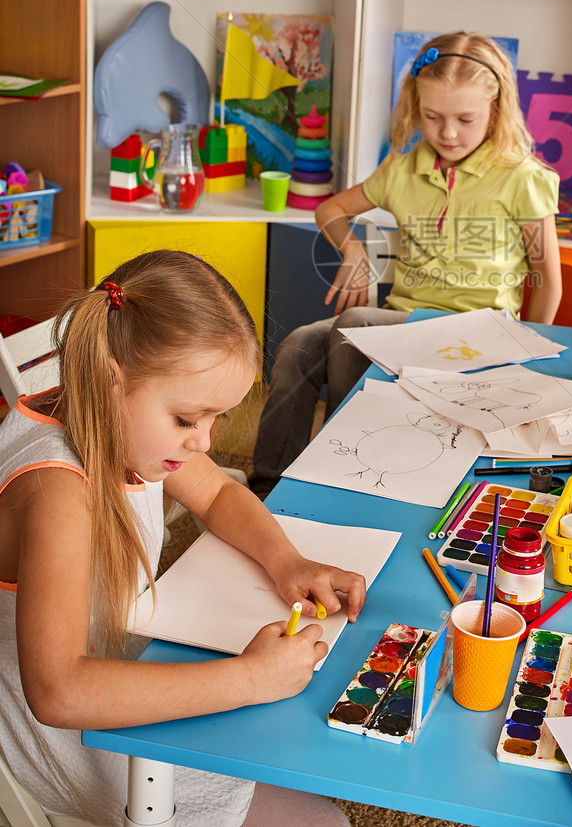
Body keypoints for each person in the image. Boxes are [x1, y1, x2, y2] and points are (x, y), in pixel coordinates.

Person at [0, 250, 365, 827]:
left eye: (219, 419)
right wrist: (246, 678)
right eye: (191, 419)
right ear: (111, 378)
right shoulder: (57, 491)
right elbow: (58, 692)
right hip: (67, 740)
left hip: (117, 671)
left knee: (284, 721)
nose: (207, 443)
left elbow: (218, 495)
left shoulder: (126, 423)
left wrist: (286, 561)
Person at [251, 32, 562, 495]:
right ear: (416, 106)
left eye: (465, 118)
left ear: (495, 112)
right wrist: (353, 250)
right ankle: (269, 487)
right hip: (404, 325)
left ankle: (338, 469)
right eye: (433, 116)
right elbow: (329, 210)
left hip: (479, 335)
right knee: (299, 344)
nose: (448, 132)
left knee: (354, 322)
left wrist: (526, 362)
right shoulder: (401, 169)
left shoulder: (522, 178)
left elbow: (550, 284)